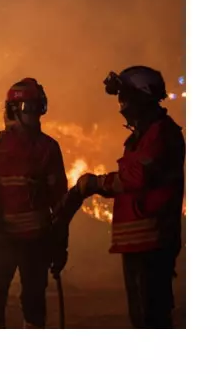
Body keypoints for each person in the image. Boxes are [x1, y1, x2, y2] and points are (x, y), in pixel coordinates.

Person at [68, 65, 185, 328]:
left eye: (126, 97)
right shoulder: (142, 136)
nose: (122, 104)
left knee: (151, 320)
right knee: (141, 319)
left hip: (152, 244)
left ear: (141, 97)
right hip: (137, 245)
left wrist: (98, 183)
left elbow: (136, 178)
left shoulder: (161, 134)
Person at [0, 78, 68, 329]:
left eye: (38, 108)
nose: (35, 115)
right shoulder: (1, 145)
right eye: (29, 108)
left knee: (33, 302)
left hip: (36, 241)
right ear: (14, 110)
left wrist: (60, 244)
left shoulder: (48, 148)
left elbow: (60, 199)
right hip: (2, 239)